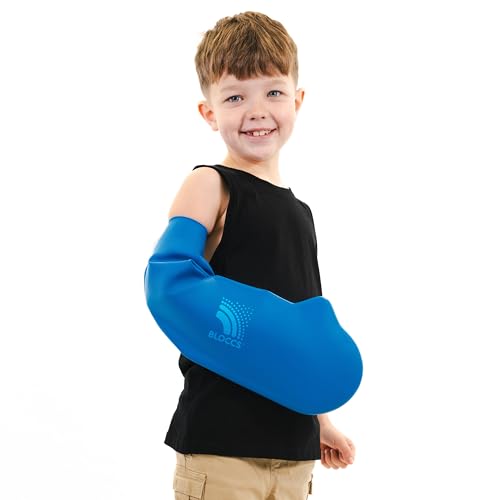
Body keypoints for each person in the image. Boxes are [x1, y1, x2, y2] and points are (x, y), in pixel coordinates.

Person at [151, 11, 356, 500]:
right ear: (209, 113)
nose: (257, 110)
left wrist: (320, 418)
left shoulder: (301, 214)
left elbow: (298, 326)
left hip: (293, 451)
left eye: (274, 92)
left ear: (297, 100)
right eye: (235, 97)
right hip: (222, 444)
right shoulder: (210, 184)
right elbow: (168, 284)